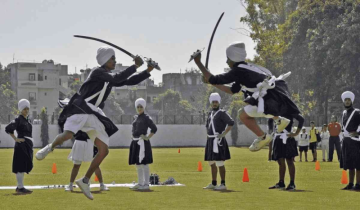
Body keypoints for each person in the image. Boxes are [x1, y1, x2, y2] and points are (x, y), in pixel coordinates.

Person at [35, 46, 154, 200]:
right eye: (113, 58)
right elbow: (118, 78)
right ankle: (49, 148)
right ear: (104, 59)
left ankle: (85, 180)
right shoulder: (97, 72)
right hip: (80, 107)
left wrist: (147, 71)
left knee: (104, 150)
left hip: (93, 114)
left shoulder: (108, 77)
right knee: (67, 135)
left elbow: (129, 81)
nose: (115, 61)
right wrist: (135, 65)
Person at [191, 42, 300, 152]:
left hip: (269, 102)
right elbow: (232, 90)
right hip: (274, 99)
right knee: (246, 111)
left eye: (228, 59)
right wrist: (211, 81)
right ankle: (279, 120)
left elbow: (215, 79)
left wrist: (198, 63)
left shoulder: (239, 71)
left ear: (234, 59)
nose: (226, 61)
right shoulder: (247, 67)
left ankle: (264, 137)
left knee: (242, 115)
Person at [202, 93, 234, 190]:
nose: (215, 104)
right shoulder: (210, 113)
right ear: (211, 103)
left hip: (218, 140)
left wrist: (224, 134)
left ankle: (223, 184)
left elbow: (231, 122)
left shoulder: (222, 113)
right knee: (211, 163)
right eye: (213, 102)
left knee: (220, 163)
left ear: (218, 102)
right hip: (210, 140)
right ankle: (214, 183)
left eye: (216, 102)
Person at [5, 99, 34, 193]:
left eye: (27, 109)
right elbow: (9, 128)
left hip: (27, 146)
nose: (26, 110)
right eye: (24, 109)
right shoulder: (18, 119)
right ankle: (20, 187)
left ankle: (21, 187)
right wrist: (16, 139)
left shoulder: (27, 120)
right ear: (21, 109)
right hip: (21, 146)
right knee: (20, 166)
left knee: (25, 165)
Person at [269, 113, 304, 190]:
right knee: (280, 161)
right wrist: (271, 131)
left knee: (289, 161)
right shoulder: (275, 110)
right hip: (278, 137)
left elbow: (301, 119)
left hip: (287, 137)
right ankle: (281, 182)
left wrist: (296, 133)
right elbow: (270, 119)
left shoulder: (289, 109)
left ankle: (292, 183)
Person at [129, 98, 157, 191]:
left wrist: (147, 137)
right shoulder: (135, 117)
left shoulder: (146, 117)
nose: (139, 108)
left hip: (142, 143)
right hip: (135, 142)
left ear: (144, 107)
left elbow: (154, 128)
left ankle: (146, 184)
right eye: (138, 107)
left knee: (144, 164)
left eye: (141, 107)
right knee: (138, 164)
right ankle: (140, 182)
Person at [339, 91, 360, 190]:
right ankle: (351, 184)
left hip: (355, 141)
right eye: (346, 100)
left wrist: (358, 133)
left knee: (357, 163)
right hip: (346, 141)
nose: (347, 102)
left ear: (352, 101)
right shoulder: (344, 113)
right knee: (350, 164)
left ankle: (358, 184)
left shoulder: (357, 112)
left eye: (349, 100)